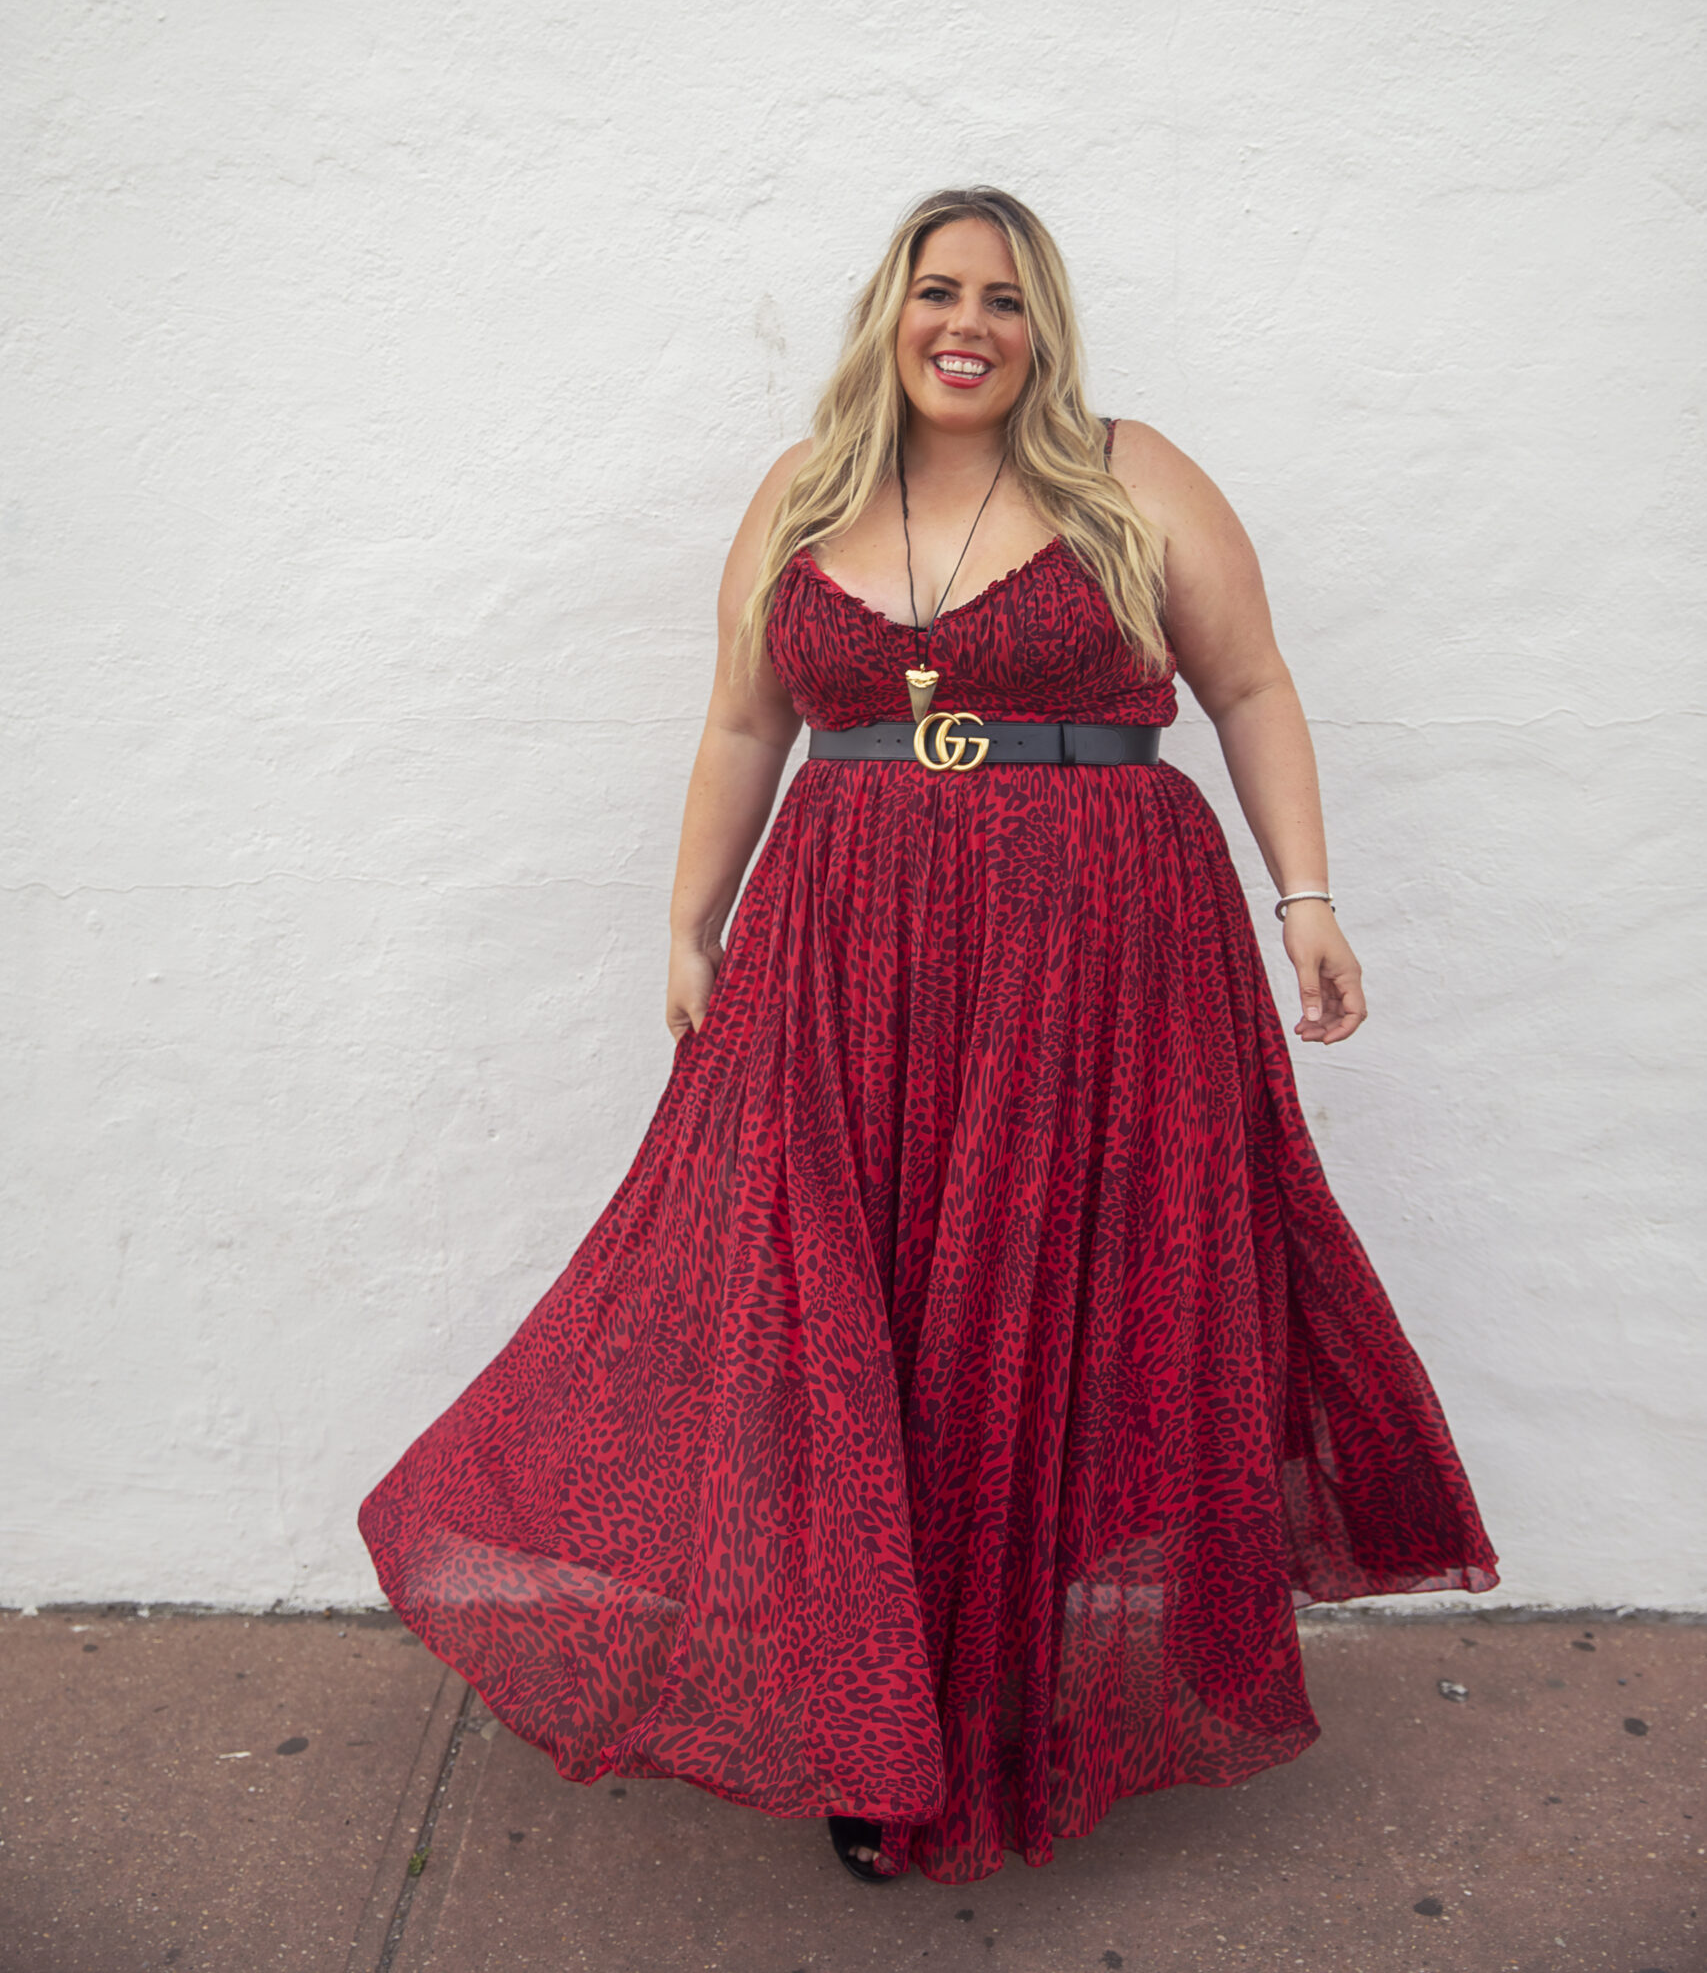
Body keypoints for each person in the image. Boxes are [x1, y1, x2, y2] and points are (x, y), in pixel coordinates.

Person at [359, 187, 1496, 1887]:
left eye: (1008, 300)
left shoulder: (1131, 472)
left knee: (1030, 1326)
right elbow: (745, 718)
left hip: (1101, 948)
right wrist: (689, 919)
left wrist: (1305, 896)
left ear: (1045, 329)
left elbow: (1249, 685)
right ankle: (881, 1716)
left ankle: (987, 1716)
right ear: (889, 310)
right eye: (940, 290)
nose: (969, 324)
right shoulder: (808, 490)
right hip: (849, 952)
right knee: (849, 1322)